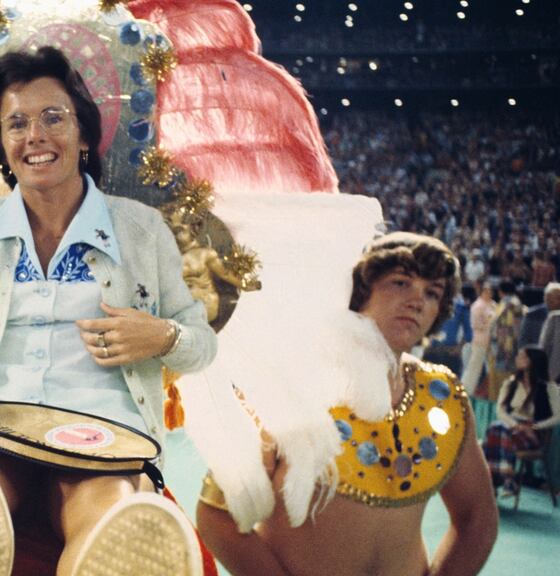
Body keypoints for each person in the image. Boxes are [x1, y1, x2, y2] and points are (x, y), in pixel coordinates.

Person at [0, 47, 216, 576]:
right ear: (1, 144)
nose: (35, 136)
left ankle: (111, 538)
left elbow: (200, 343)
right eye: (16, 123)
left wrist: (162, 337)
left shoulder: (141, 229)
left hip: (104, 435)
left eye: (53, 118)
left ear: (84, 134)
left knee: (110, 514)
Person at [196, 232, 498, 576]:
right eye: (401, 283)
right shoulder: (293, 377)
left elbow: (478, 518)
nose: (417, 300)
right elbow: (216, 515)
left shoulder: (443, 395)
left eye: (433, 293)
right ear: (360, 290)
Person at [482, 346, 560, 495]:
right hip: (511, 426)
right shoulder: (511, 383)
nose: (518, 359)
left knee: (496, 431)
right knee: (497, 428)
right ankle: (507, 480)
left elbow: (558, 416)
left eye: (523, 357)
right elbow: (500, 410)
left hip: (533, 433)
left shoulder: (548, 387)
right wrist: (515, 425)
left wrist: (535, 427)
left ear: (533, 362)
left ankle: (496, 481)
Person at [164, 207, 259, 325]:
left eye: (179, 231)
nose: (174, 236)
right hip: (182, 310)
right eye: (170, 232)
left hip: (205, 304)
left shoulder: (205, 254)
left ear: (193, 229)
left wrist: (244, 284)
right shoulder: (169, 257)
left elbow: (225, 274)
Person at [461, 281, 495, 395]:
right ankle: (466, 389)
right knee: (474, 366)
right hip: (480, 339)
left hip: (493, 341)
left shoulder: (493, 304)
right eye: (486, 291)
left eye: (490, 291)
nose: (489, 293)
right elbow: (475, 324)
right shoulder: (477, 305)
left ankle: (490, 391)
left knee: (492, 369)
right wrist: (488, 324)